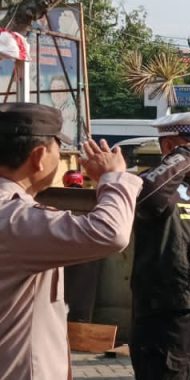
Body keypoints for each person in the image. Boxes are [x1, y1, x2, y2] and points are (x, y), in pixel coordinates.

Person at [0, 103, 141, 379]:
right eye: (58, 148)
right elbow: (110, 232)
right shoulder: (16, 219)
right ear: (39, 156)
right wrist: (114, 178)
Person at [129, 106, 190, 380]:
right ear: (170, 146)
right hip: (166, 318)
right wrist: (182, 156)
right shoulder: (151, 184)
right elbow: (148, 198)